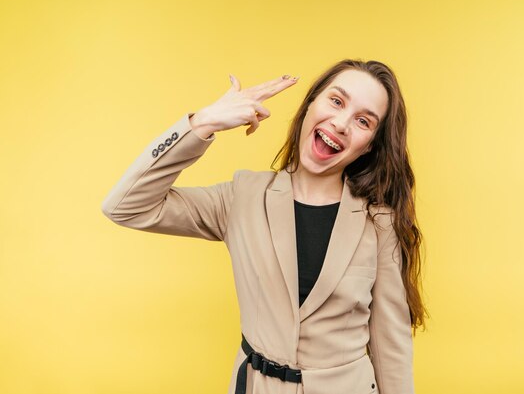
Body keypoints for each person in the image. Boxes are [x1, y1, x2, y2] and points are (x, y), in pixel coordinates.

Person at [101, 58, 427, 394]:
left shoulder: (379, 224)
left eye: (363, 120)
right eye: (336, 101)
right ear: (311, 102)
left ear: (370, 144)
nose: (342, 123)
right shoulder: (242, 197)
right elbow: (125, 206)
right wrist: (201, 123)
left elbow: (392, 347)